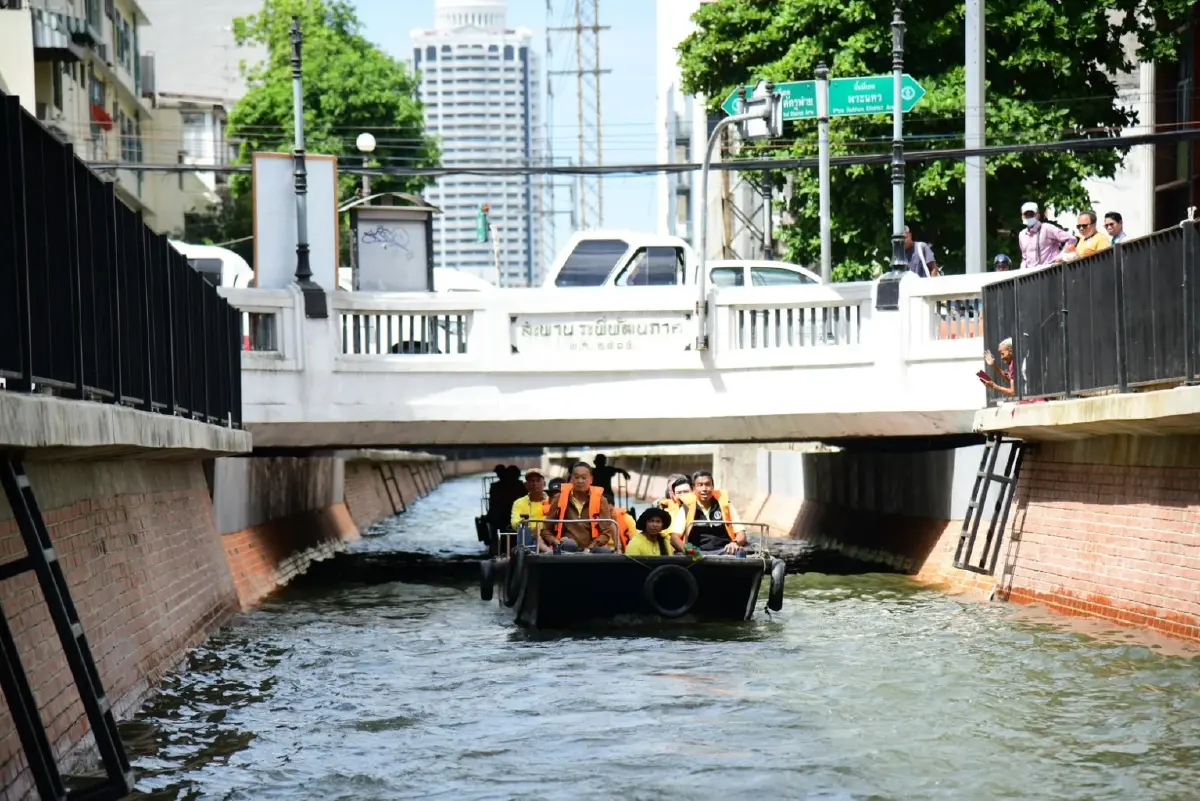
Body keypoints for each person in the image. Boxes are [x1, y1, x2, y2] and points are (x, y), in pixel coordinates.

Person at [541, 462, 618, 553]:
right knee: (569, 544)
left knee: (605, 552)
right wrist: (556, 541)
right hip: (566, 546)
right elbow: (545, 529)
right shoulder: (559, 498)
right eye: (576, 477)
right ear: (571, 479)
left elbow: (606, 532)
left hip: (592, 547)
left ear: (591, 479)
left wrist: (591, 547)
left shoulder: (601, 500)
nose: (580, 481)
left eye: (584, 478)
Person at [669, 471, 748, 554]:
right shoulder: (686, 507)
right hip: (697, 554)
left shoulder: (725, 505)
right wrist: (690, 551)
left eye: (707, 484)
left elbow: (741, 534)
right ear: (693, 488)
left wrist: (734, 543)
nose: (704, 489)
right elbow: (674, 538)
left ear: (713, 487)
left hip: (725, 551)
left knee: (743, 553)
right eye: (700, 485)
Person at [1018, 202, 1075, 269]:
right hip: (1031, 275)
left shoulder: (1047, 228)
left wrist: (1061, 256)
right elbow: (1024, 258)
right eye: (1026, 215)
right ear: (1022, 217)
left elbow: (1071, 239)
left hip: (1050, 272)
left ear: (1038, 216)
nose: (1028, 217)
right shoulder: (1022, 235)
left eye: (1031, 214)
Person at [510, 470, 548, 545]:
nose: (535, 483)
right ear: (526, 485)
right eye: (531, 481)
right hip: (527, 538)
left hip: (548, 536)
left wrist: (538, 531)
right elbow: (515, 523)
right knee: (524, 531)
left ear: (544, 484)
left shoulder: (552, 500)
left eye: (538, 480)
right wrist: (531, 531)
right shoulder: (518, 502)